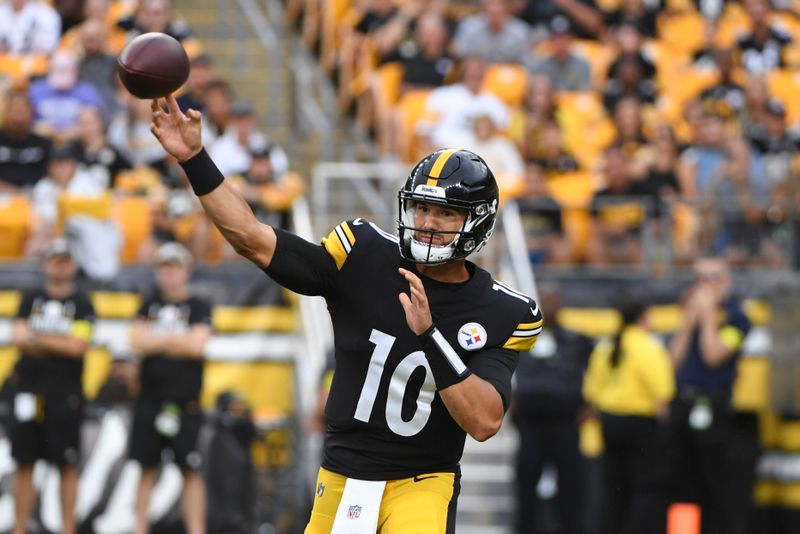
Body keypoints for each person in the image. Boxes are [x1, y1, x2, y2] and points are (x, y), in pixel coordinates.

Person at [149, 95, 543, 533]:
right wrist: (196, 159)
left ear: (477, 223)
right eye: (423, 208)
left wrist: (431, 335)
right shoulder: (364, 255)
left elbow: (485, 421)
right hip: (343, 474)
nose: (429, 222)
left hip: (423, 480)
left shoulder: (501, 309)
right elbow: (252, 239)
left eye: (446, 213)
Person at [9, 238, 95, 534]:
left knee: (67, 466)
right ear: (45, 264)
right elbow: (17, 337)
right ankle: (19, 527)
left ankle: (68, 528)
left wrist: (37, 338)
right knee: (24, 462)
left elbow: (78, 347)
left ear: (73, 265)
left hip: (66, 395)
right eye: (54, 261)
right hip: (29, 392)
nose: (59, 268)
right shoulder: (30, 297)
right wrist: (57, 341)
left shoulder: (82, 303)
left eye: (65, 261)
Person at [129, 241, 212, 534]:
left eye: (175, 267)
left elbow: (197, 346)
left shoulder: (199, 305)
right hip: (150, 399)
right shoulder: (147, 303)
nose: (169, 274)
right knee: (145, 468)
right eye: (164, 267)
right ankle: (140, 528)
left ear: (187, 270)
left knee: (190, 469)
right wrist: (178, 340)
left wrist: (158, 341)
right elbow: (137, 341)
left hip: (185, 401)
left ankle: (196, 529)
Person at [667, 256, 752, 534]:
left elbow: (713, 354)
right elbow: (671, 364)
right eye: (698, 279)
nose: (703, 286)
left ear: (726, 281)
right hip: (683, 403)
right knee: (680, 483)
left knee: (715, 484)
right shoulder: (687, 312)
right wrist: (688, 321)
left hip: (713, 407)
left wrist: (707, 317)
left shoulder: (737, 317)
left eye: (712, 278)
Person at [583, 298, 675, 534]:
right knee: (645, 485)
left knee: (613, 485)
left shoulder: (606, 347)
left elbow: (592, 390)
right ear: (643, 318)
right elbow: (663, 391)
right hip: (640, 422)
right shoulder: (648, 347)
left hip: (609, 421)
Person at [511, 283, 593, 534]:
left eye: (554, 299)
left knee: (571, 485)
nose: (550, 304)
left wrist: (591, 405)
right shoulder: (524, 337)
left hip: (566, 422)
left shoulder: (578, 340)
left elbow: (595, 371)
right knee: (526, 482)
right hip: (530, 422)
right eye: (546, 299)